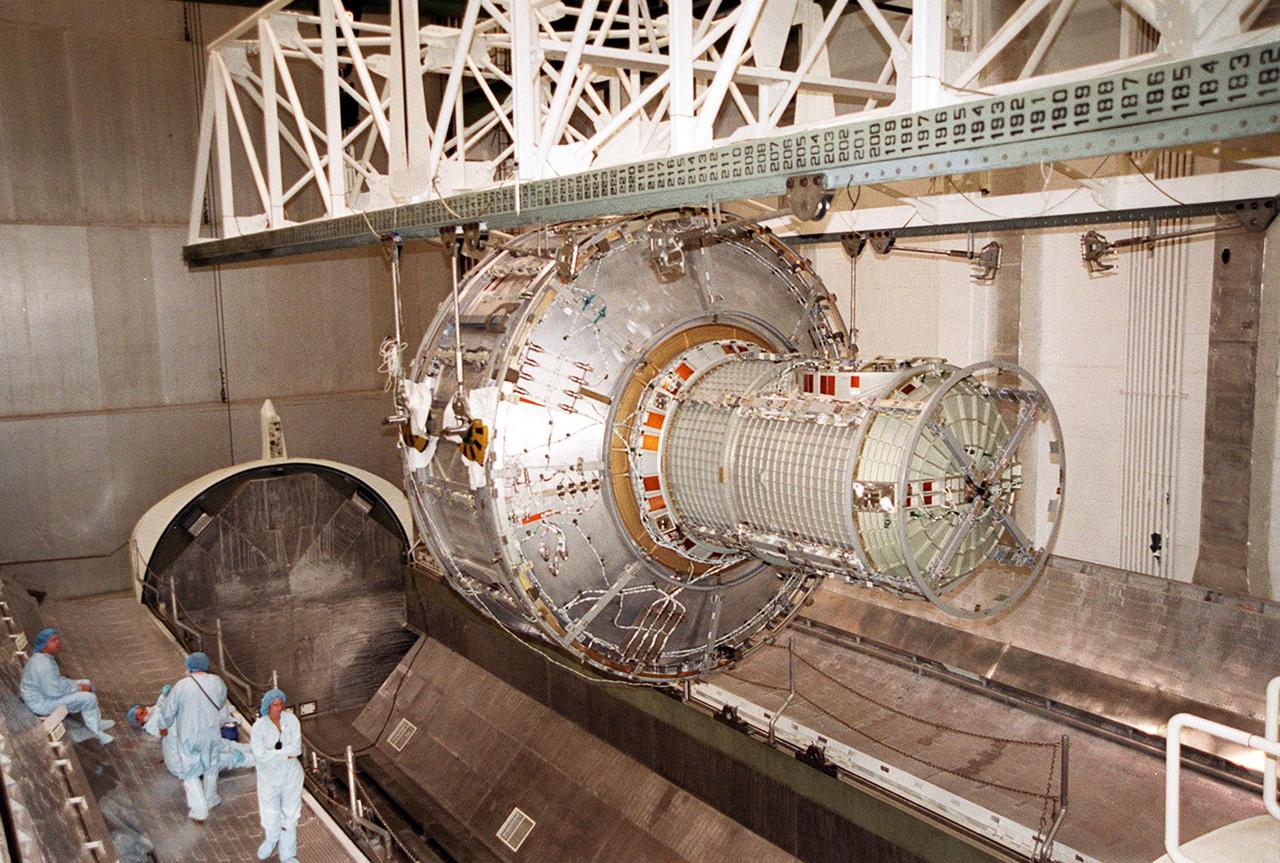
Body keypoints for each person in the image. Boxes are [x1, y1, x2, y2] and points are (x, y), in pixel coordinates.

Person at [157, 652, 230, 822]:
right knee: (211, 766)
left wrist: (163, 727)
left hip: (189, 735)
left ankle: (200, 810)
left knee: (190, 772)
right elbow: (220, 702)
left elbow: (168, 710)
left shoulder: (182, 686)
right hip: (211, 733)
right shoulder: (216, 682)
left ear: (189, 666)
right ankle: (211, 799)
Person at [128, 684, 253, 777]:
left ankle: (251, 748)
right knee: (226, 758)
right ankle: (258, 761)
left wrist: (163, 696)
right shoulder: (173, 726)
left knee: (223, 744)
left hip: (189, 752)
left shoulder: (176, 720)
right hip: (185, 766)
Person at [19, 627, 114, 744]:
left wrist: (76, 684)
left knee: (86, 682)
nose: (58, 642)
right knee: (89, 698)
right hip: (42, 703)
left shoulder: (44, 658)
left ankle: (96, 722)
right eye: (53, 640)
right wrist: (78, 688)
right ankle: (96, 733)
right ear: (44, 645)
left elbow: (57, 681)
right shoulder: (42, 666)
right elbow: (54, 692)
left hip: (47, 695)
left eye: (57, 639)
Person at [252, 688, 303, 863]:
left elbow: (296, 749)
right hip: (269, 779)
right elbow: (259, 755)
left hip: (291, 775)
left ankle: (288, 854)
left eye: (281, 704)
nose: (279, 708)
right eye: (275, 705)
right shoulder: (259, 727)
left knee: (291, 813)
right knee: (271, 813)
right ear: (267, 707)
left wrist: (272, 752)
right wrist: (283, 753)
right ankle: (272, 838)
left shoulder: (292, 720)